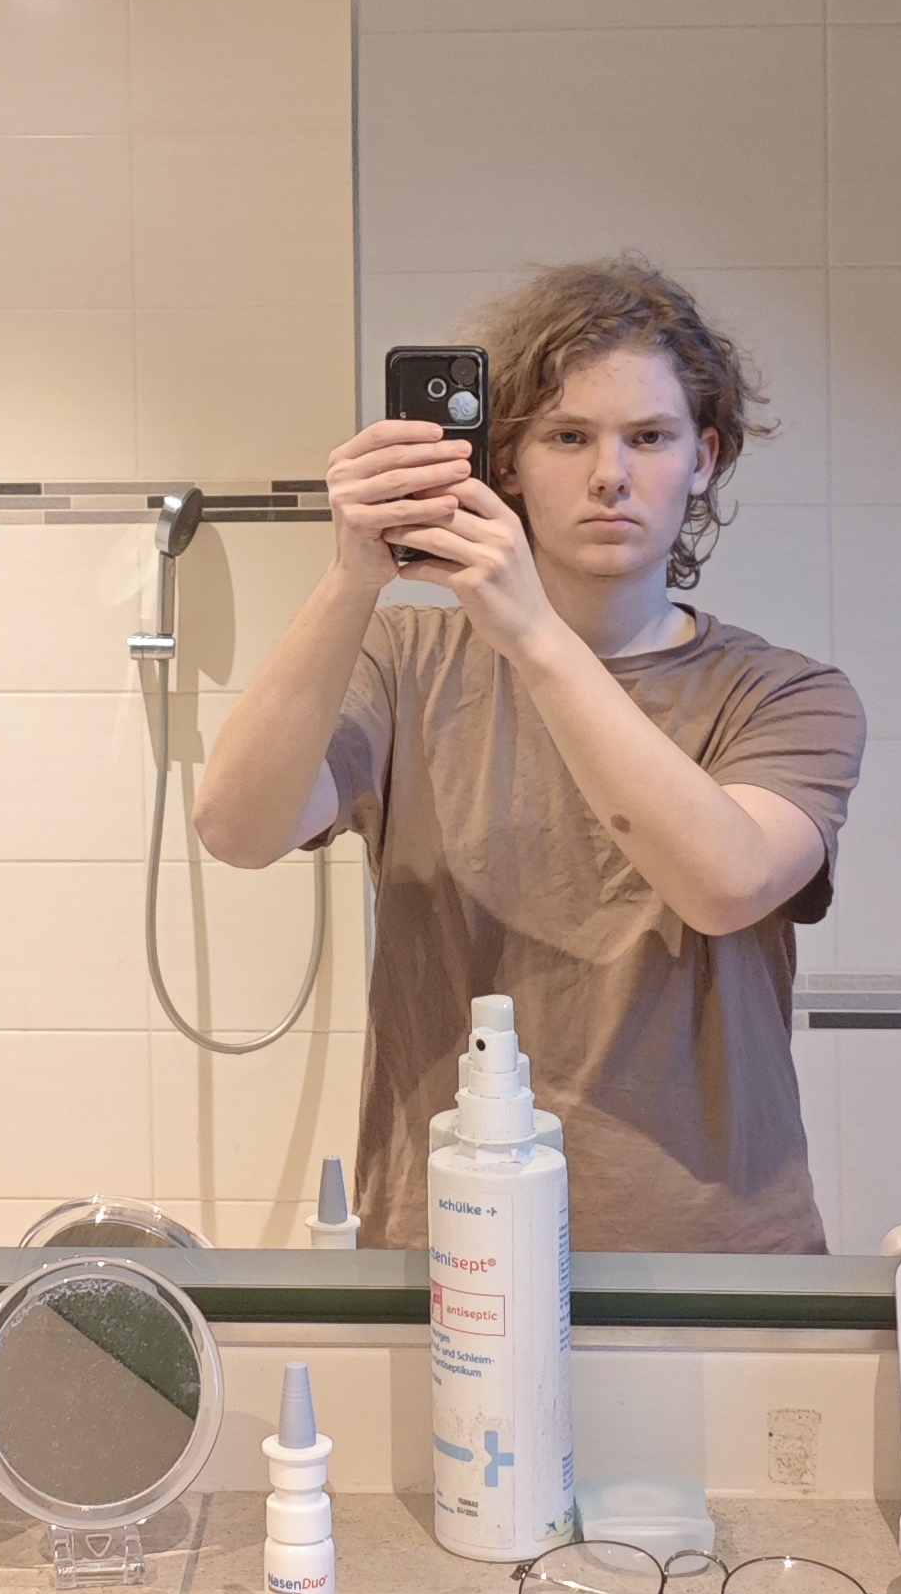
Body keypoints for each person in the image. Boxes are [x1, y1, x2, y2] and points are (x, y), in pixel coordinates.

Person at [195, 258, 863, 1252]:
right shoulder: (405, 661)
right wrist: (350, 580)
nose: (610, 475)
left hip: (715, 1253)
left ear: (705, 457)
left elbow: (726, 884)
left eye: (650, 437)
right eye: (567, 436)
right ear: (505, 462)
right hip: (450, 1243)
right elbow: (236, 829)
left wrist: (535, 637)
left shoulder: (787, 694)